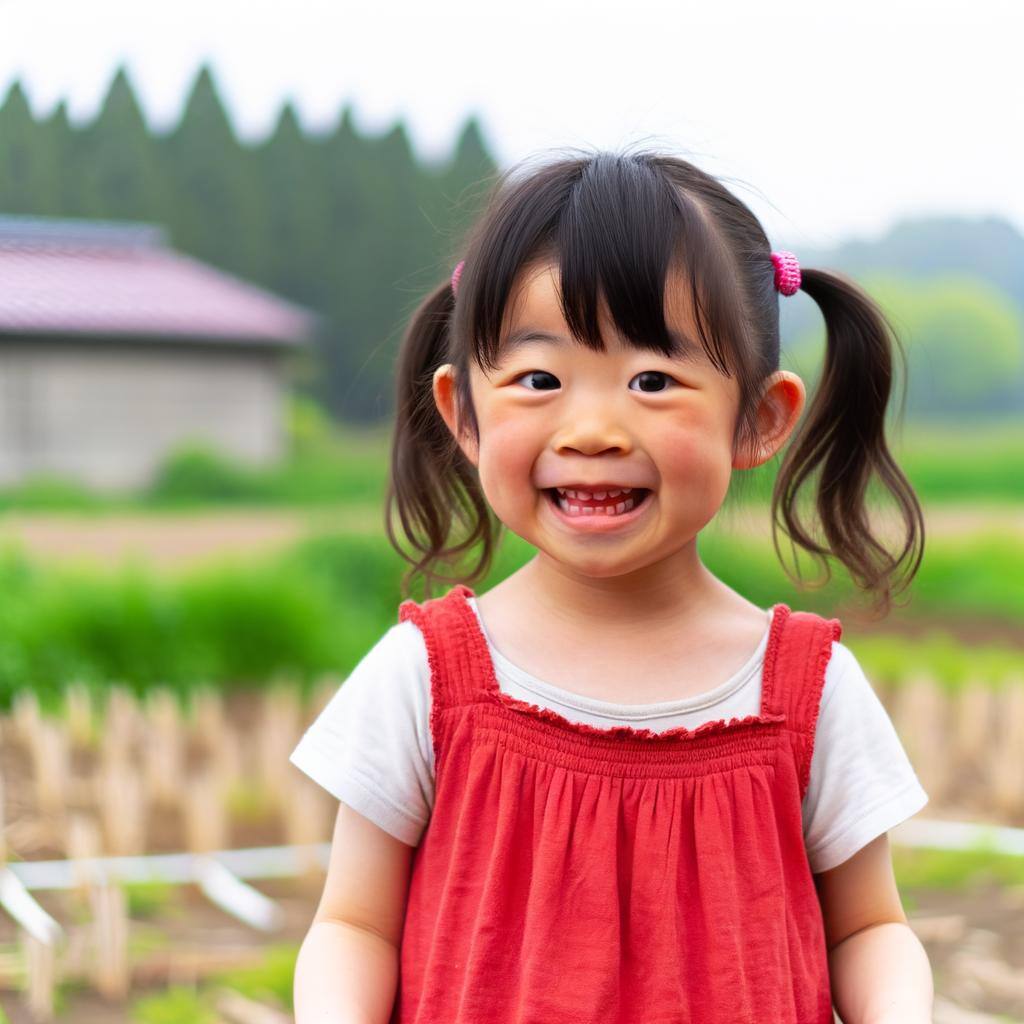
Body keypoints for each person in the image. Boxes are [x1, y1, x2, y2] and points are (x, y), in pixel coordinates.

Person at [291, 148, 935, 1023]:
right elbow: (355, 924)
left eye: (653, 381)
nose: (592, 429)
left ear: (760, 418)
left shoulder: (809, 692)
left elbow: (869, 928)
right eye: (539, 380)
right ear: (462, 415)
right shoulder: (426, 677)